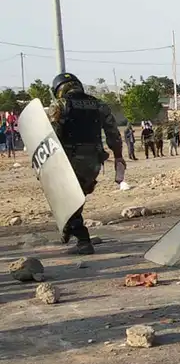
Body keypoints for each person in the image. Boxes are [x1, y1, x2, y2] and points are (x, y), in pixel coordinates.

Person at [47, 72, 125, 255]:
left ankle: (82, 239)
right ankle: (69, 228)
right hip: (94, 161)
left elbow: (52, 135)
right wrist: (119, 157)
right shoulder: (98, 104)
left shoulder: (60, 105)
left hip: (69, 160)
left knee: (67, 198)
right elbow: (113, 133)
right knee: (77, 197)